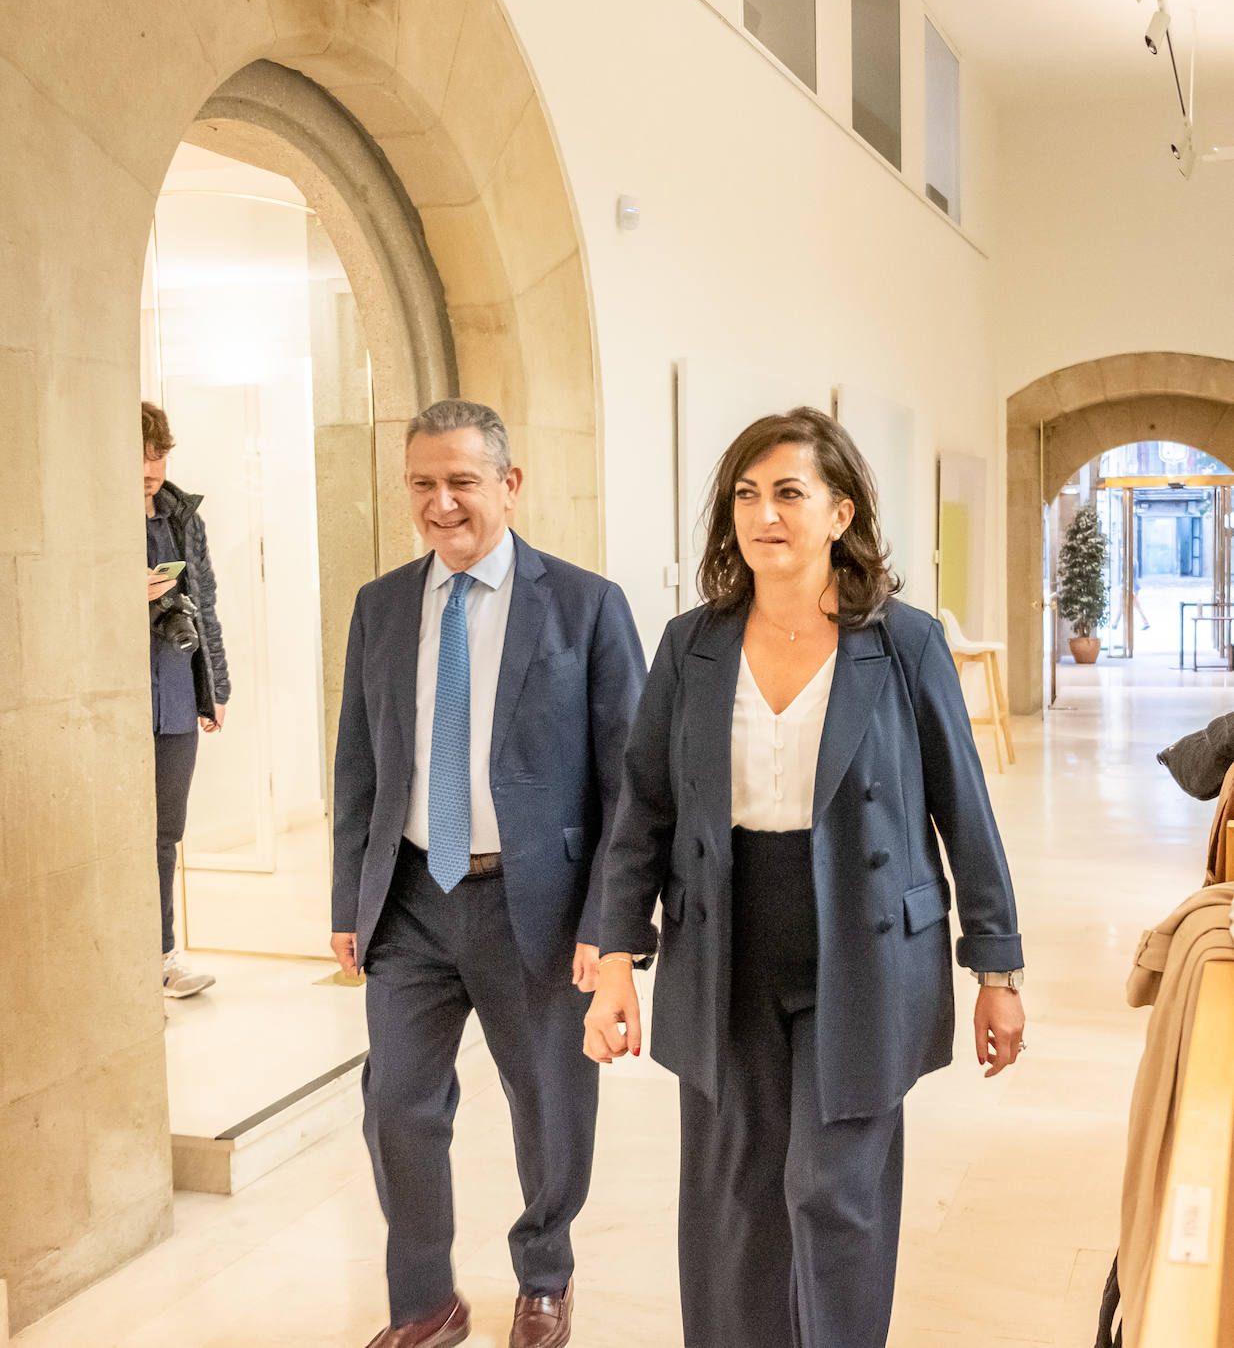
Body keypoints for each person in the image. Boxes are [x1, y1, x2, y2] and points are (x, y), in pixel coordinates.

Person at [585, 407, 1027, 1348]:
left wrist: (997, 970)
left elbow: (965, 811)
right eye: (747, 494)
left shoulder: (902, 644)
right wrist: (616, 956)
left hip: (864, 948)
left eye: (790, 492)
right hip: (725, 944)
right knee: (734, 1197)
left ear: (842, 513)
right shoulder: (690, 646)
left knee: (833, 1194)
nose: (765, 514)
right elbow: (643, 812)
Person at [331, 399, 645, 1348]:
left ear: (509, 486)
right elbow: (358, 763)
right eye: (423, 485)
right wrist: (350, 898)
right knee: (396, 1104)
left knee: (548, 1099)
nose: (441, 503)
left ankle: (544, 1270)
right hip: (414, 898)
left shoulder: (586, 605)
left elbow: (630, 783)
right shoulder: (381, 606)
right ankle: (426, 1298)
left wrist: (612, 921)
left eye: (462, 481)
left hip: (536, 905)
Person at [142, 401, 230, 999]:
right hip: (120, 697)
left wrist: (215, 687)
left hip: (174, 690)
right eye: (141, 454)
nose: (152, 466)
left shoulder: (179, 517)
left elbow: (207, 603)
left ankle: (162, 955)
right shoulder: (94, 510)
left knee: (165, 833)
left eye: (159, 452)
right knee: (128, 834)